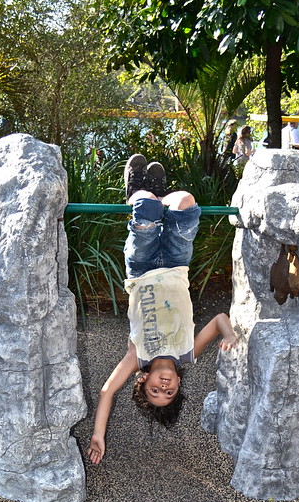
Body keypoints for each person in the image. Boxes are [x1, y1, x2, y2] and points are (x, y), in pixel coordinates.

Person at [87, 154, 238, 465]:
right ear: (179, 383)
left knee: (144, 207)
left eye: (155, 392)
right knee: (185, 201)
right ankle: (159, 192)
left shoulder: (137, 356)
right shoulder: (188, 352)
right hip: (176, 264)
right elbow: (220, 320)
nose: (164, 389)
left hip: (141, 269)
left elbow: (106, 392)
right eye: (168, 394)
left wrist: (98, 434)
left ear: (142, 380)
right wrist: (230, 335)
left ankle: (140, 192)